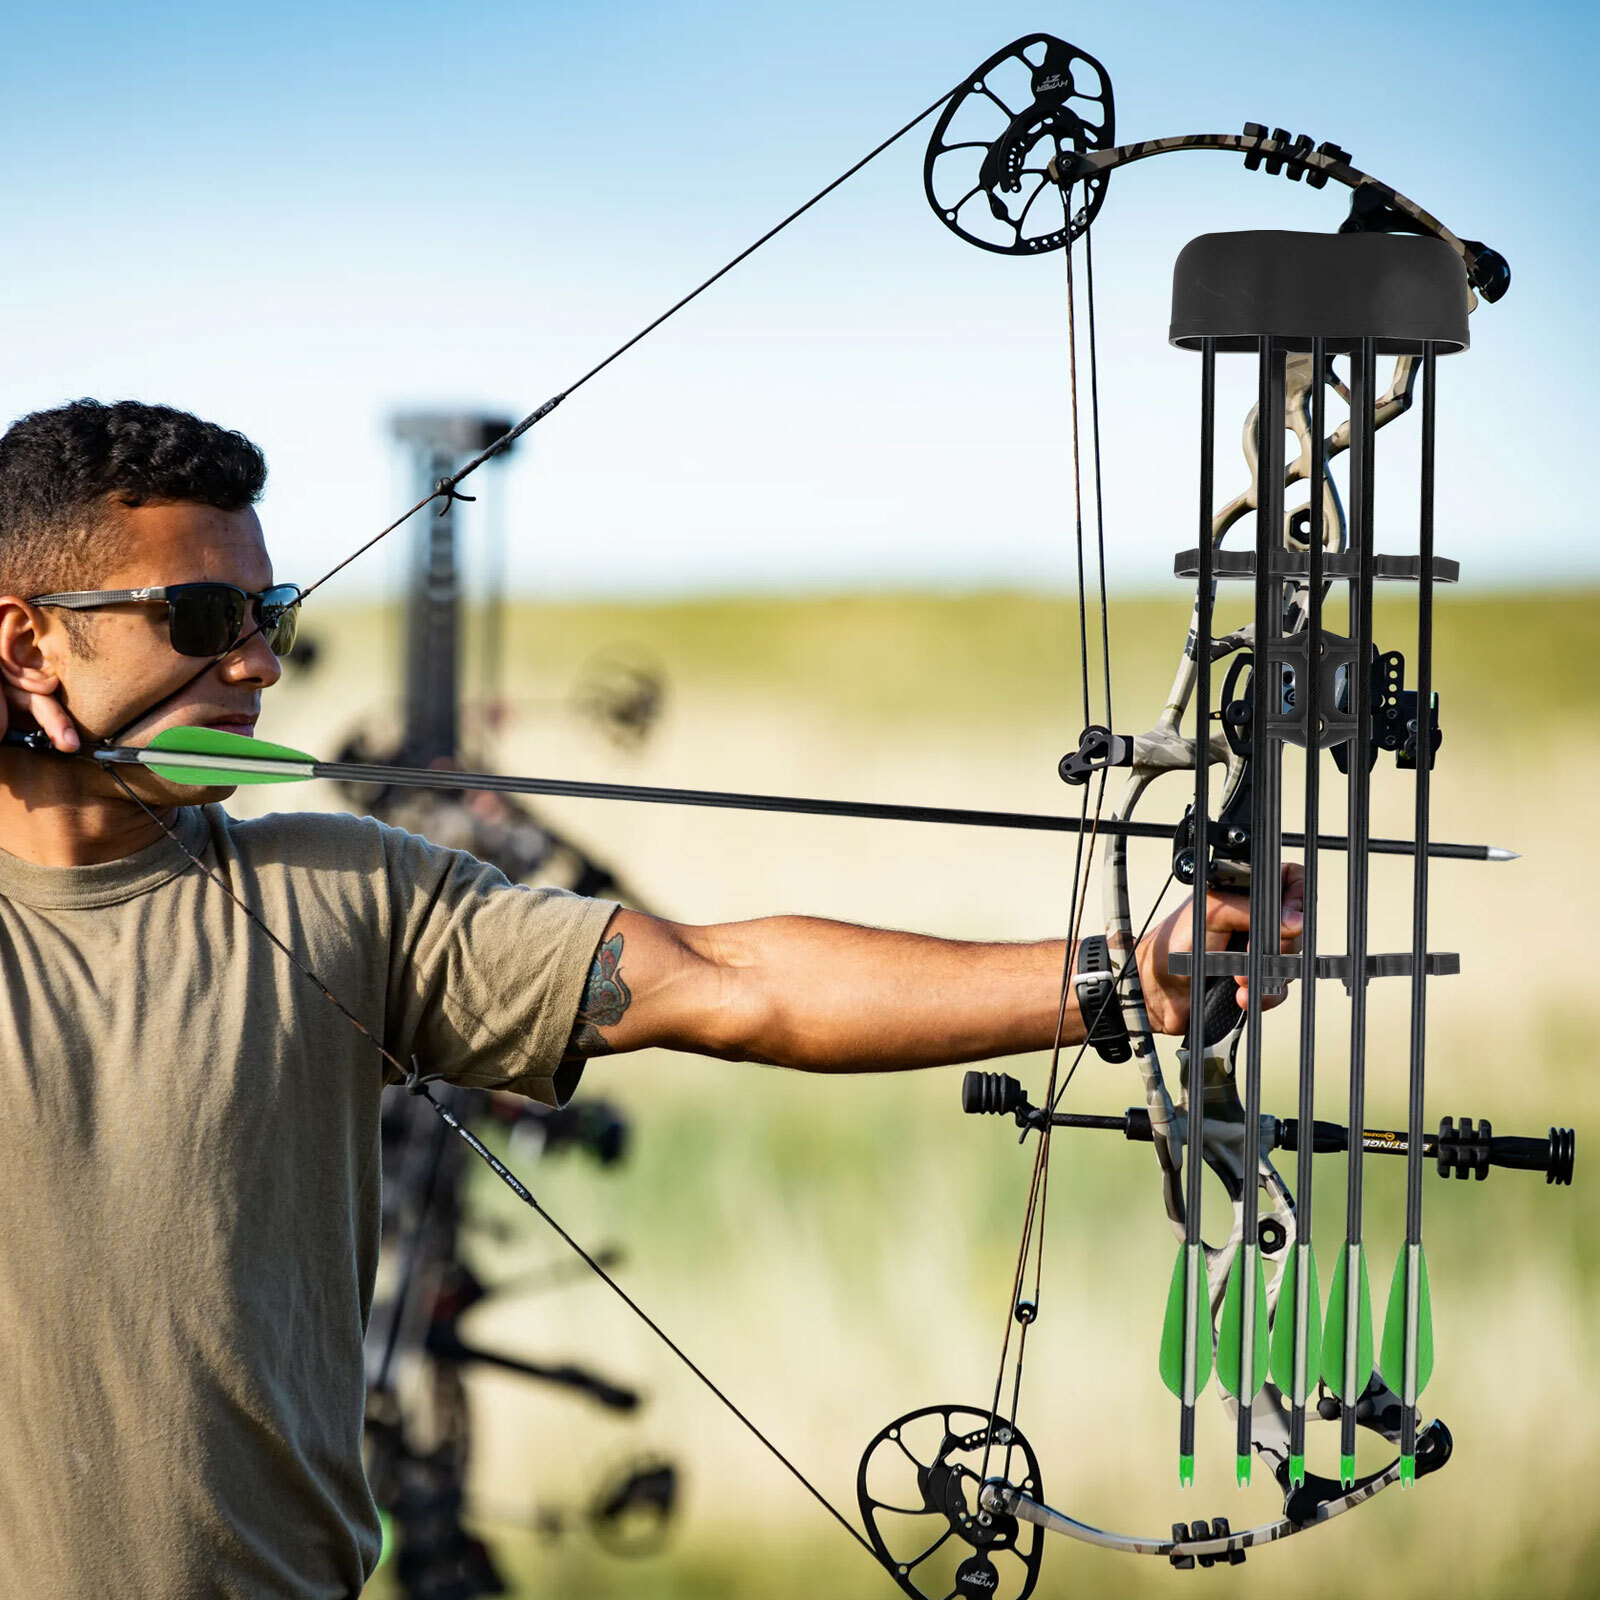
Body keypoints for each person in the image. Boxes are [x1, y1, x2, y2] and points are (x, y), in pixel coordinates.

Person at [0, 399, 1303, 1599]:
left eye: (268, 616)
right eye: (201, 619)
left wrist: (1125, 977)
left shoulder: (338, 897)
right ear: (27, 642)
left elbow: (732, 984)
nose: (258, 667)